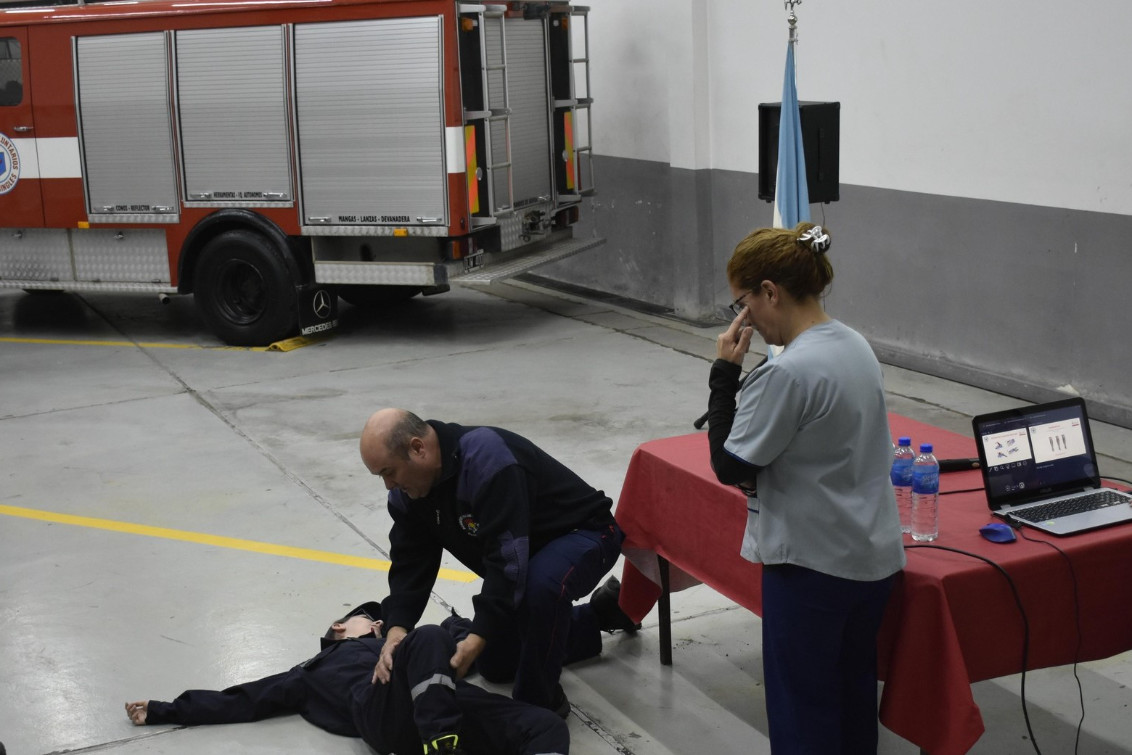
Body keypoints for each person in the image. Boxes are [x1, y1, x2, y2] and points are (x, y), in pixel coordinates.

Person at [706, 222, 906, 754]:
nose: (743, 317)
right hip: (870, 559)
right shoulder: (855, 345)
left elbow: (728, 463)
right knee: (850, 702)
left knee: (803, 717)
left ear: (769, 291)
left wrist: (724, 374)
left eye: (742, 302)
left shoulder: (789, 372)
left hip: (812, 568)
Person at [359, 409, 638, 717]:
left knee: (539, 589)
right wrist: (398, 627)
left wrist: (480, 632)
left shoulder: (485, 458)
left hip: (586, 532)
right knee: (496, 663)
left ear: (417, 448)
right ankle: (601, 614)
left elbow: (507, 557)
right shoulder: (408, 493)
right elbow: (411, 562)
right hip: (529, 552)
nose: (388, 485)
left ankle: (540, 705)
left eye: (388, 471)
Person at [125, 602, 568, 755]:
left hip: (450, 706)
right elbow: (246, 699)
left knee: (545, 724)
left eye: (379, 623)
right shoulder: (314, 670)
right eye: (367, 621)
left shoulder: (405, 642)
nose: (377, 626)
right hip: (385, 714)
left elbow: (464, 636)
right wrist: (167, 709)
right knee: (428, 634)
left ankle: (444, 743)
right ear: (339, 627)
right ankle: (442, 744)